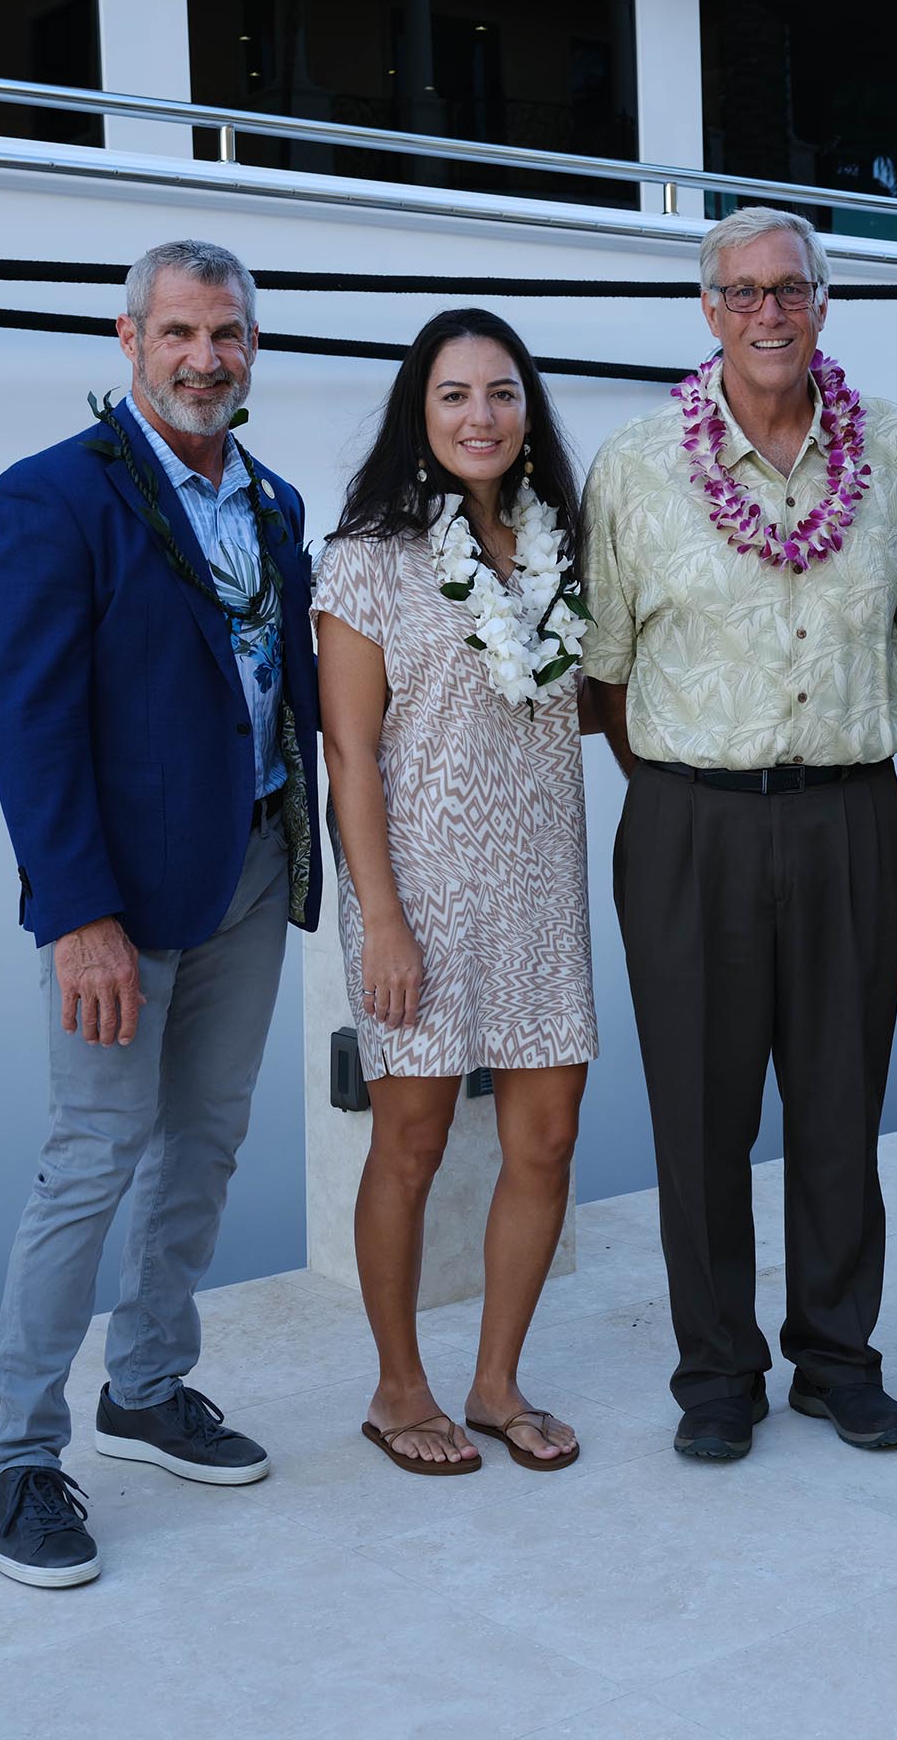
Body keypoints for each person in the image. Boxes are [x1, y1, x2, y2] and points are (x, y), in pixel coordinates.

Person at [0, 239, 321, 1586]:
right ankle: (16, 1457)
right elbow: (30, 728)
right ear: (130, 342)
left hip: (246, 872)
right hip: (116, 902)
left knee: (206, 1143)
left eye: (227, 333)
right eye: (179, 332)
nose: (205, 357)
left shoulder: (274, 500)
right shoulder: (50, 499)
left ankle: (150, 1385)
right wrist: (77, 916)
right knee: (89, 1159)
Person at [581, 206, 897, 1462]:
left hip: (849, 814)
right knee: (700, 1112)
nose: (768, 313)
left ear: (824, 305)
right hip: (690, 823)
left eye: (790, 289)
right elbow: (608, 670)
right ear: (707, 311)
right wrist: (697, 793)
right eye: (741, 293)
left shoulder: (890, 449)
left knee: (842, 1103)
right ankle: (716, 1371)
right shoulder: (633, 463)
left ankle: (838, 1358)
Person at [314, 310, 597, 1477]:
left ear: (527, 414)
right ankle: (397, 1388)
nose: (479, 416)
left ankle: (495, 1382)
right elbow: (350, 757)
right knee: (414, 1142)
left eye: (500, 394)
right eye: (453, 396)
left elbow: (594, 702)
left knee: (548, 1138)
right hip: (417, 889)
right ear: (417, 415)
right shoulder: (365, 558)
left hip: (540, 882)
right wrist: (379, 916)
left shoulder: (556, 548)